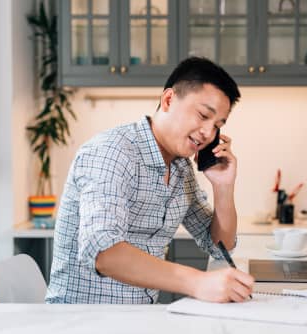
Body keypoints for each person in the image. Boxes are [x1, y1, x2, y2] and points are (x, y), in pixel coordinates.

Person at [45, 57, 255, 304]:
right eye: (202, 115)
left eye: (217, 125)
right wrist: (197, 282)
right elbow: (104, 253)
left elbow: (219, 246)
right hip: (84, 321)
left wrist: (223, 186)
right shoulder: (111, 152)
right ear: (168, 100)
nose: (208, 133)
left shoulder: (181, 169)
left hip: (140, 318)